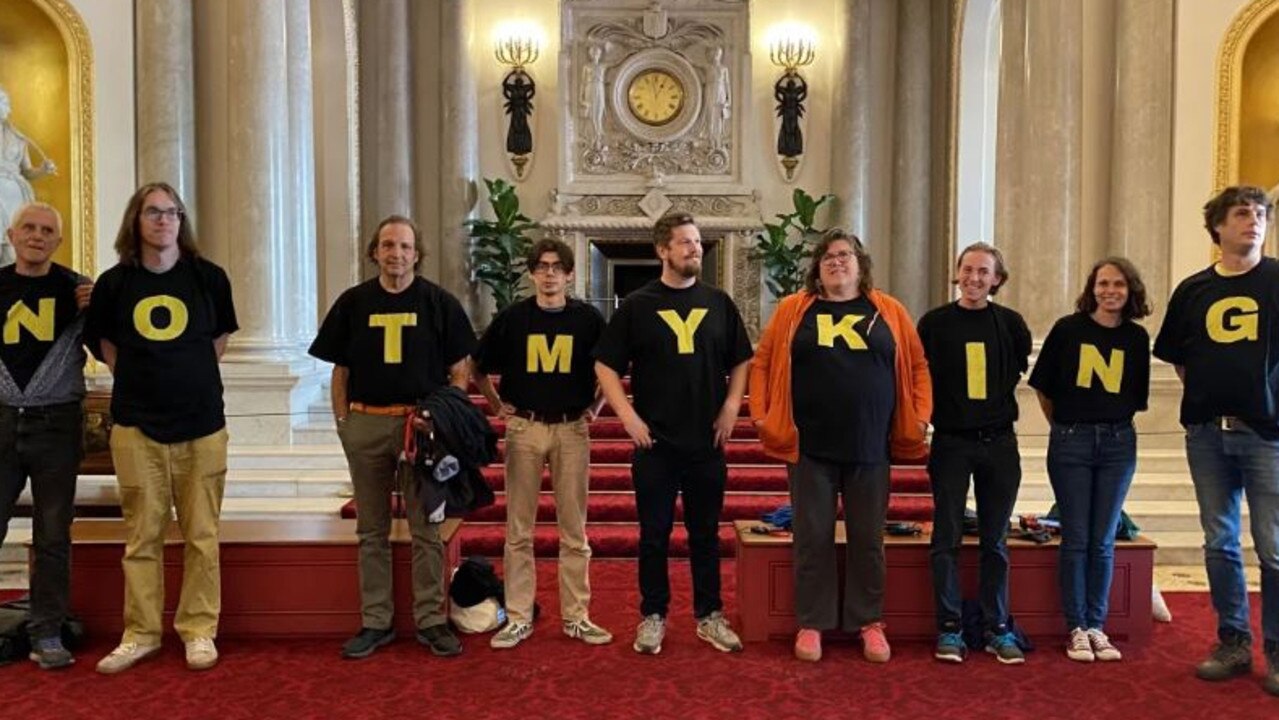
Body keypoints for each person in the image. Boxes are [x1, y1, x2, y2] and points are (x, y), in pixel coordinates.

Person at [749, 229, 930, 663]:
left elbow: (918, 366)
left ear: (860, 263)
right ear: (817, 268)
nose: (836, 262)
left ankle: (869, 622)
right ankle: (812, 623)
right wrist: (759, 415)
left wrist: (921, 416)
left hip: (871, 444)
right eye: (828, 257)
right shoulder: (794, 310)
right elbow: (764, 362)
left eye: (845, 255)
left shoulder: (889, 311)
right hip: (809, 445)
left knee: (868, 539)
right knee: (812, 537)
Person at [85, 182, 238, 674]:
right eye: (153, 212)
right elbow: (106, 345)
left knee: (201, 535)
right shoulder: (114, 284)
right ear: (136, 220)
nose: (163, 220)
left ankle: (198, 630)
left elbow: (219, 340)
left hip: (202, 426)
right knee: (142, 537)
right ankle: (141, 633)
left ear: (181, 221)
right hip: (136, 428)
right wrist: (140, 379)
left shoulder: (209, 277)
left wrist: (183, 378)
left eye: (171, 212)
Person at [309, 214, 475, 660]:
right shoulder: (353, 303)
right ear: (374, 252)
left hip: (421, 430)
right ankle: (376, 620)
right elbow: (340, 371)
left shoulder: (439, 303)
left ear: (416, 253)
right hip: (366, 424)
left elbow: (461, 370)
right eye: (387, 246)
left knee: (427, 528)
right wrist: (345, 425)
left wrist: (441, 417)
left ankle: (430, 620)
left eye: (404, 246)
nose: (395, 254)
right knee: (372, 531)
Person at [594, 211, 752, 655]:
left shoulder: (718, 302)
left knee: (706, 534)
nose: (694, 249)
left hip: (706, 440)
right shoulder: (638, 305)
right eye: (684, 242)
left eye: (698, 242)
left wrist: (730, 405)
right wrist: (626, 416)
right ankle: (653, 615)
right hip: (655, 444)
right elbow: (605, 364)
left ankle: (709, 615)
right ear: (662, 250)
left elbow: (742, 358)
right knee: (654, 535)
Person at [1153, 185, 1279, 696]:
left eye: (1261, 215)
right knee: (1220, 542)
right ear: (1218, 227)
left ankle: (1276, 647)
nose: (1253, 222)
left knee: (1274, 546)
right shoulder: (1194, 289)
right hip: (1207, 435)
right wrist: (1214, 400)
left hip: (1267, 436)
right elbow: (1182, 358)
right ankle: (1232, 641)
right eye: (1242, 214)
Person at [471, 238, 611, 649]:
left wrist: (597, 406)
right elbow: (477, 368)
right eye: (541, 266)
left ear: (569, 274)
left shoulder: (588, 320)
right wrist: (499, 407)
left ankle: (576, 616)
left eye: (557, 267)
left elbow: (610, 366)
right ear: (532, 273)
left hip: (571, 429)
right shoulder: (514, 318)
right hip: (526, 429)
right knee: (518, 529)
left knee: (574, 530)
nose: (549, 274)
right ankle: (517, 616)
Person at [1029, 257, 1151, 662]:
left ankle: (1098, 626)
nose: (1109, 290)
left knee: (1103, 540)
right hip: (1072, 441)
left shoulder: (1135, 338)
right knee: (1076, 538)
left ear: (1130, 290)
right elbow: (1043, 389)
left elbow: (1134, 398)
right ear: (1091, 288)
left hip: (1118, 443)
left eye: (1118, 284)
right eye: (1102, 283)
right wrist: (1067, 429)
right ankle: (1076, 627)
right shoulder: (1068, 329)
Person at [918, 241, 1032, 664]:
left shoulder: (1011, 325)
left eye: (984, 272)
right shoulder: (933, 324)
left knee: (995, 541)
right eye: (967, 269)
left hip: (999, 443)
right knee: (945, 537)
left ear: (997, 279)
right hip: (950, 442)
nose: (974, 278)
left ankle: (996, 628)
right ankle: (949, 628)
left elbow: (1018, 369)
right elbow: (919, 375)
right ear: (957, 273)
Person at [0, 202, 91, 669]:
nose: (37, 236)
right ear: (12, 235)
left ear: (58, 240)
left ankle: (47, 631)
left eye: (47, 230)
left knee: (53, 533)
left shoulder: (78, 290)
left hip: (56, 424)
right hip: (0, 421)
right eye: (29, 228)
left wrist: (97, 312)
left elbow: (110, 345)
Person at [0, 87, 57, 268]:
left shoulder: (18, 138)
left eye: (2, 103)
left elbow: (27, 171)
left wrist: (43, 170)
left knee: (11, 245)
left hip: (14, 195)